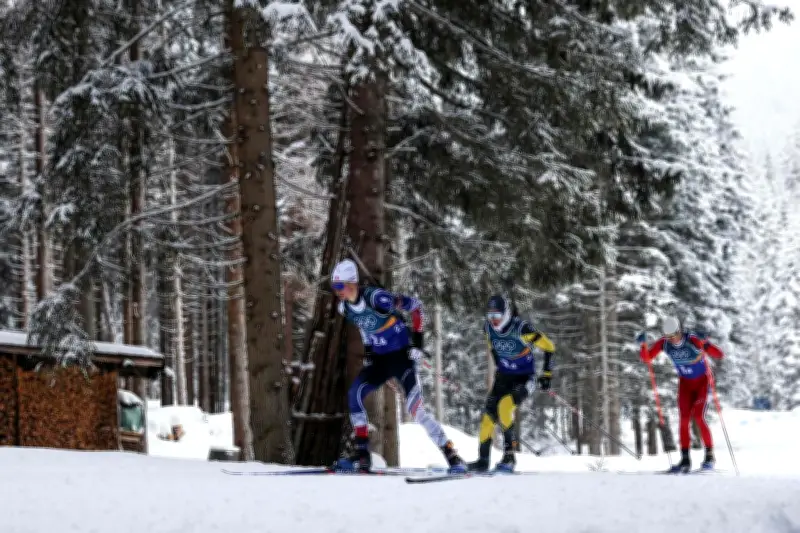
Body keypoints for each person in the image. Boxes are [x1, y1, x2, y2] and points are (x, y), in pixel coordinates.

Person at [329, 259, 467, 474]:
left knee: (416, 410)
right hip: (380, 360)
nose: (337, 292)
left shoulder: (377, 298)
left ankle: (451, 454)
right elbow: (364, 326)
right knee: (354, 394)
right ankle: (362, 453)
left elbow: (416, 308)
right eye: (334, 287)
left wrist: (417, 345)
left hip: (401, 357)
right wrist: (368, 352)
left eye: (340, 286)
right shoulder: (344, 308)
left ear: (352, 283)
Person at [467, 294, 555, 473]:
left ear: (506, 314)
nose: (494, 321)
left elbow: (549, 347)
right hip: (503, 378)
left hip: (524, 378)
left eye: (497, 316)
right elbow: (492, 347)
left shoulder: (522, 329)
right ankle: (483, 460)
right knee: (487, 418)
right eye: (490, 316)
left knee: (505, 407)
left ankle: (509, 457)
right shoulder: (488, 329)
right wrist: (500, 364)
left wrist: (546, 374)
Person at [637, 316, 724, 472]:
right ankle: (685, 459)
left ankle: (710, 455)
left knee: (698, 416)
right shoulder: (664, 343)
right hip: (685, 384)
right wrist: (642, 345)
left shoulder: (692, 340)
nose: (672, 340)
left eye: (674, 336)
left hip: (702, 383)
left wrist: (705, 343)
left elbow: (718, 354)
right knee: (683, 420)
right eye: (668, 336)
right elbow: (647, 358)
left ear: (680, 331)